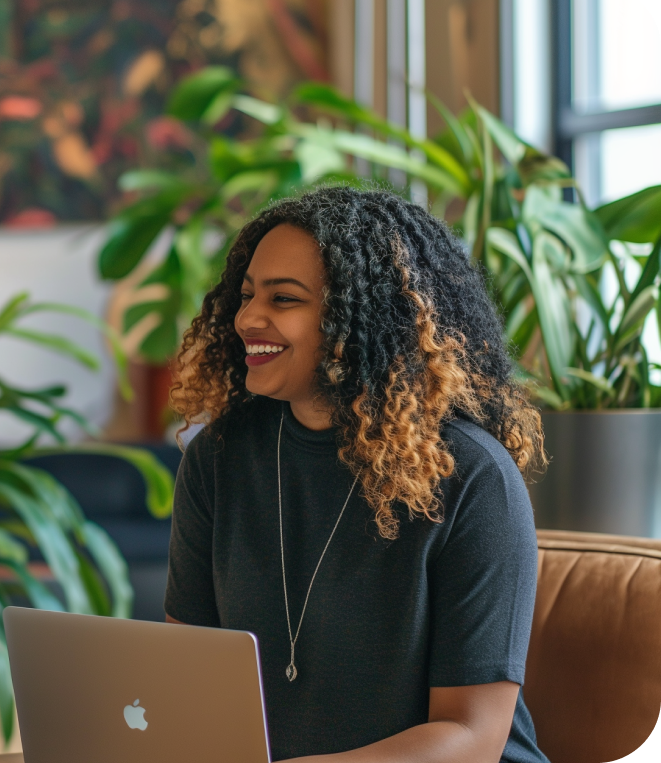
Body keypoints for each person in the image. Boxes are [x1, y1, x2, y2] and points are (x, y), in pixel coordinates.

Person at [164, 186, 549, 763]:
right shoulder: (218, 458)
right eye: (247, 295)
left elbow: (472, 737)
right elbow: (188, 677)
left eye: (284, 299)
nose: (247, 318)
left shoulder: (472, 476)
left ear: (360, 315)